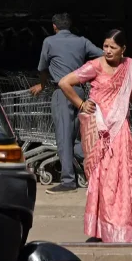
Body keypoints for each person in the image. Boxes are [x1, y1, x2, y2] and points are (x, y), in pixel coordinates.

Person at [58, 30, 132, 243]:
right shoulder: (94, 66)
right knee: (102, 177)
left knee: (126, 174)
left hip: (120, 129)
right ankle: (105, 227)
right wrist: (81, 104)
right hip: (99, 129)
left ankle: (131, 228)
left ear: (123, 49)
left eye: (113, 47)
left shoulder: (128, 66)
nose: (108, 51)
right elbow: (64, 82)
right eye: (105, 46)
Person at [30, 13, 103, 194]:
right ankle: (102, 166)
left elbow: (42, 68)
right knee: (75, 138)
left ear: (54, 26)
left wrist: (43, 84)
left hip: (62, 93)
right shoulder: (82, 41)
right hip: (79, 92)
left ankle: (68, 181)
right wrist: (89, 74)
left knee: (63, 137)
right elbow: (103, 56)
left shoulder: (49, 42)